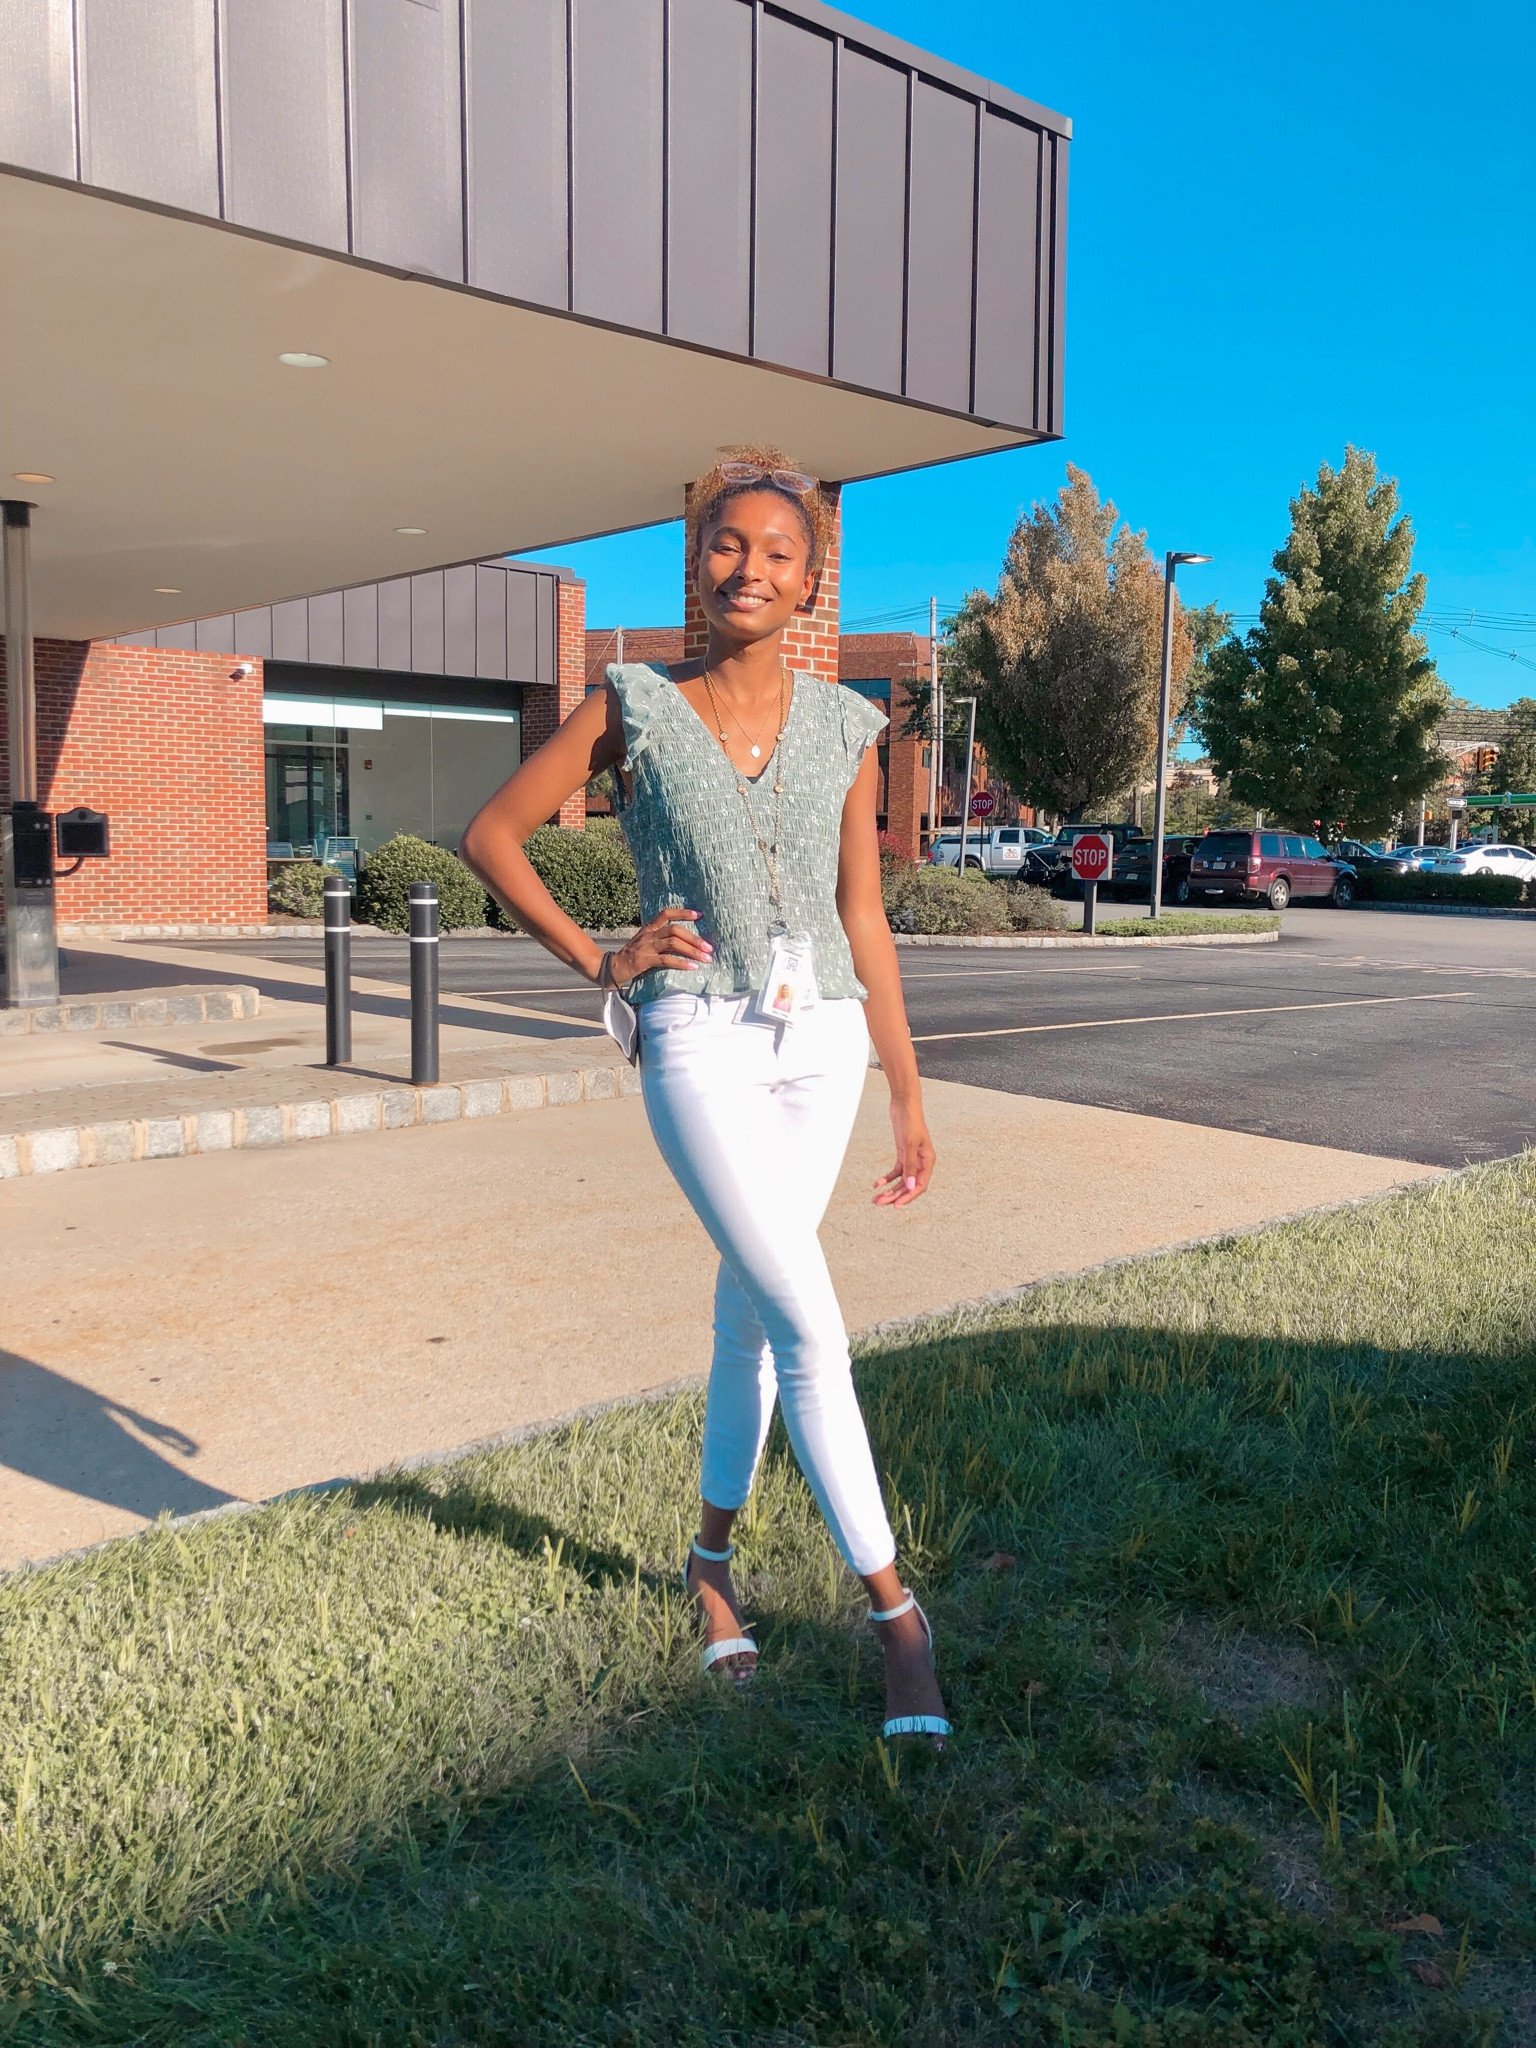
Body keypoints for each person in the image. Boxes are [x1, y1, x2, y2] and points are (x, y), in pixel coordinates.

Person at [460, 446, 949, 1742]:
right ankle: (898, 1617)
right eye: (729, 544)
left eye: (779, 552)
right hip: (695, 1036)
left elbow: (862, 915)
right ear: (697, 562)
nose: (751, 568)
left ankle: (711, 1562)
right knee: (810, 1324)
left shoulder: (848, 726)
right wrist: (601, 959)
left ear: (811, 583)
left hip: (822, 1040)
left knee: (752, 1313)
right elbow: (492, 837)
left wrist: (906, 1089)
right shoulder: (631, 702)